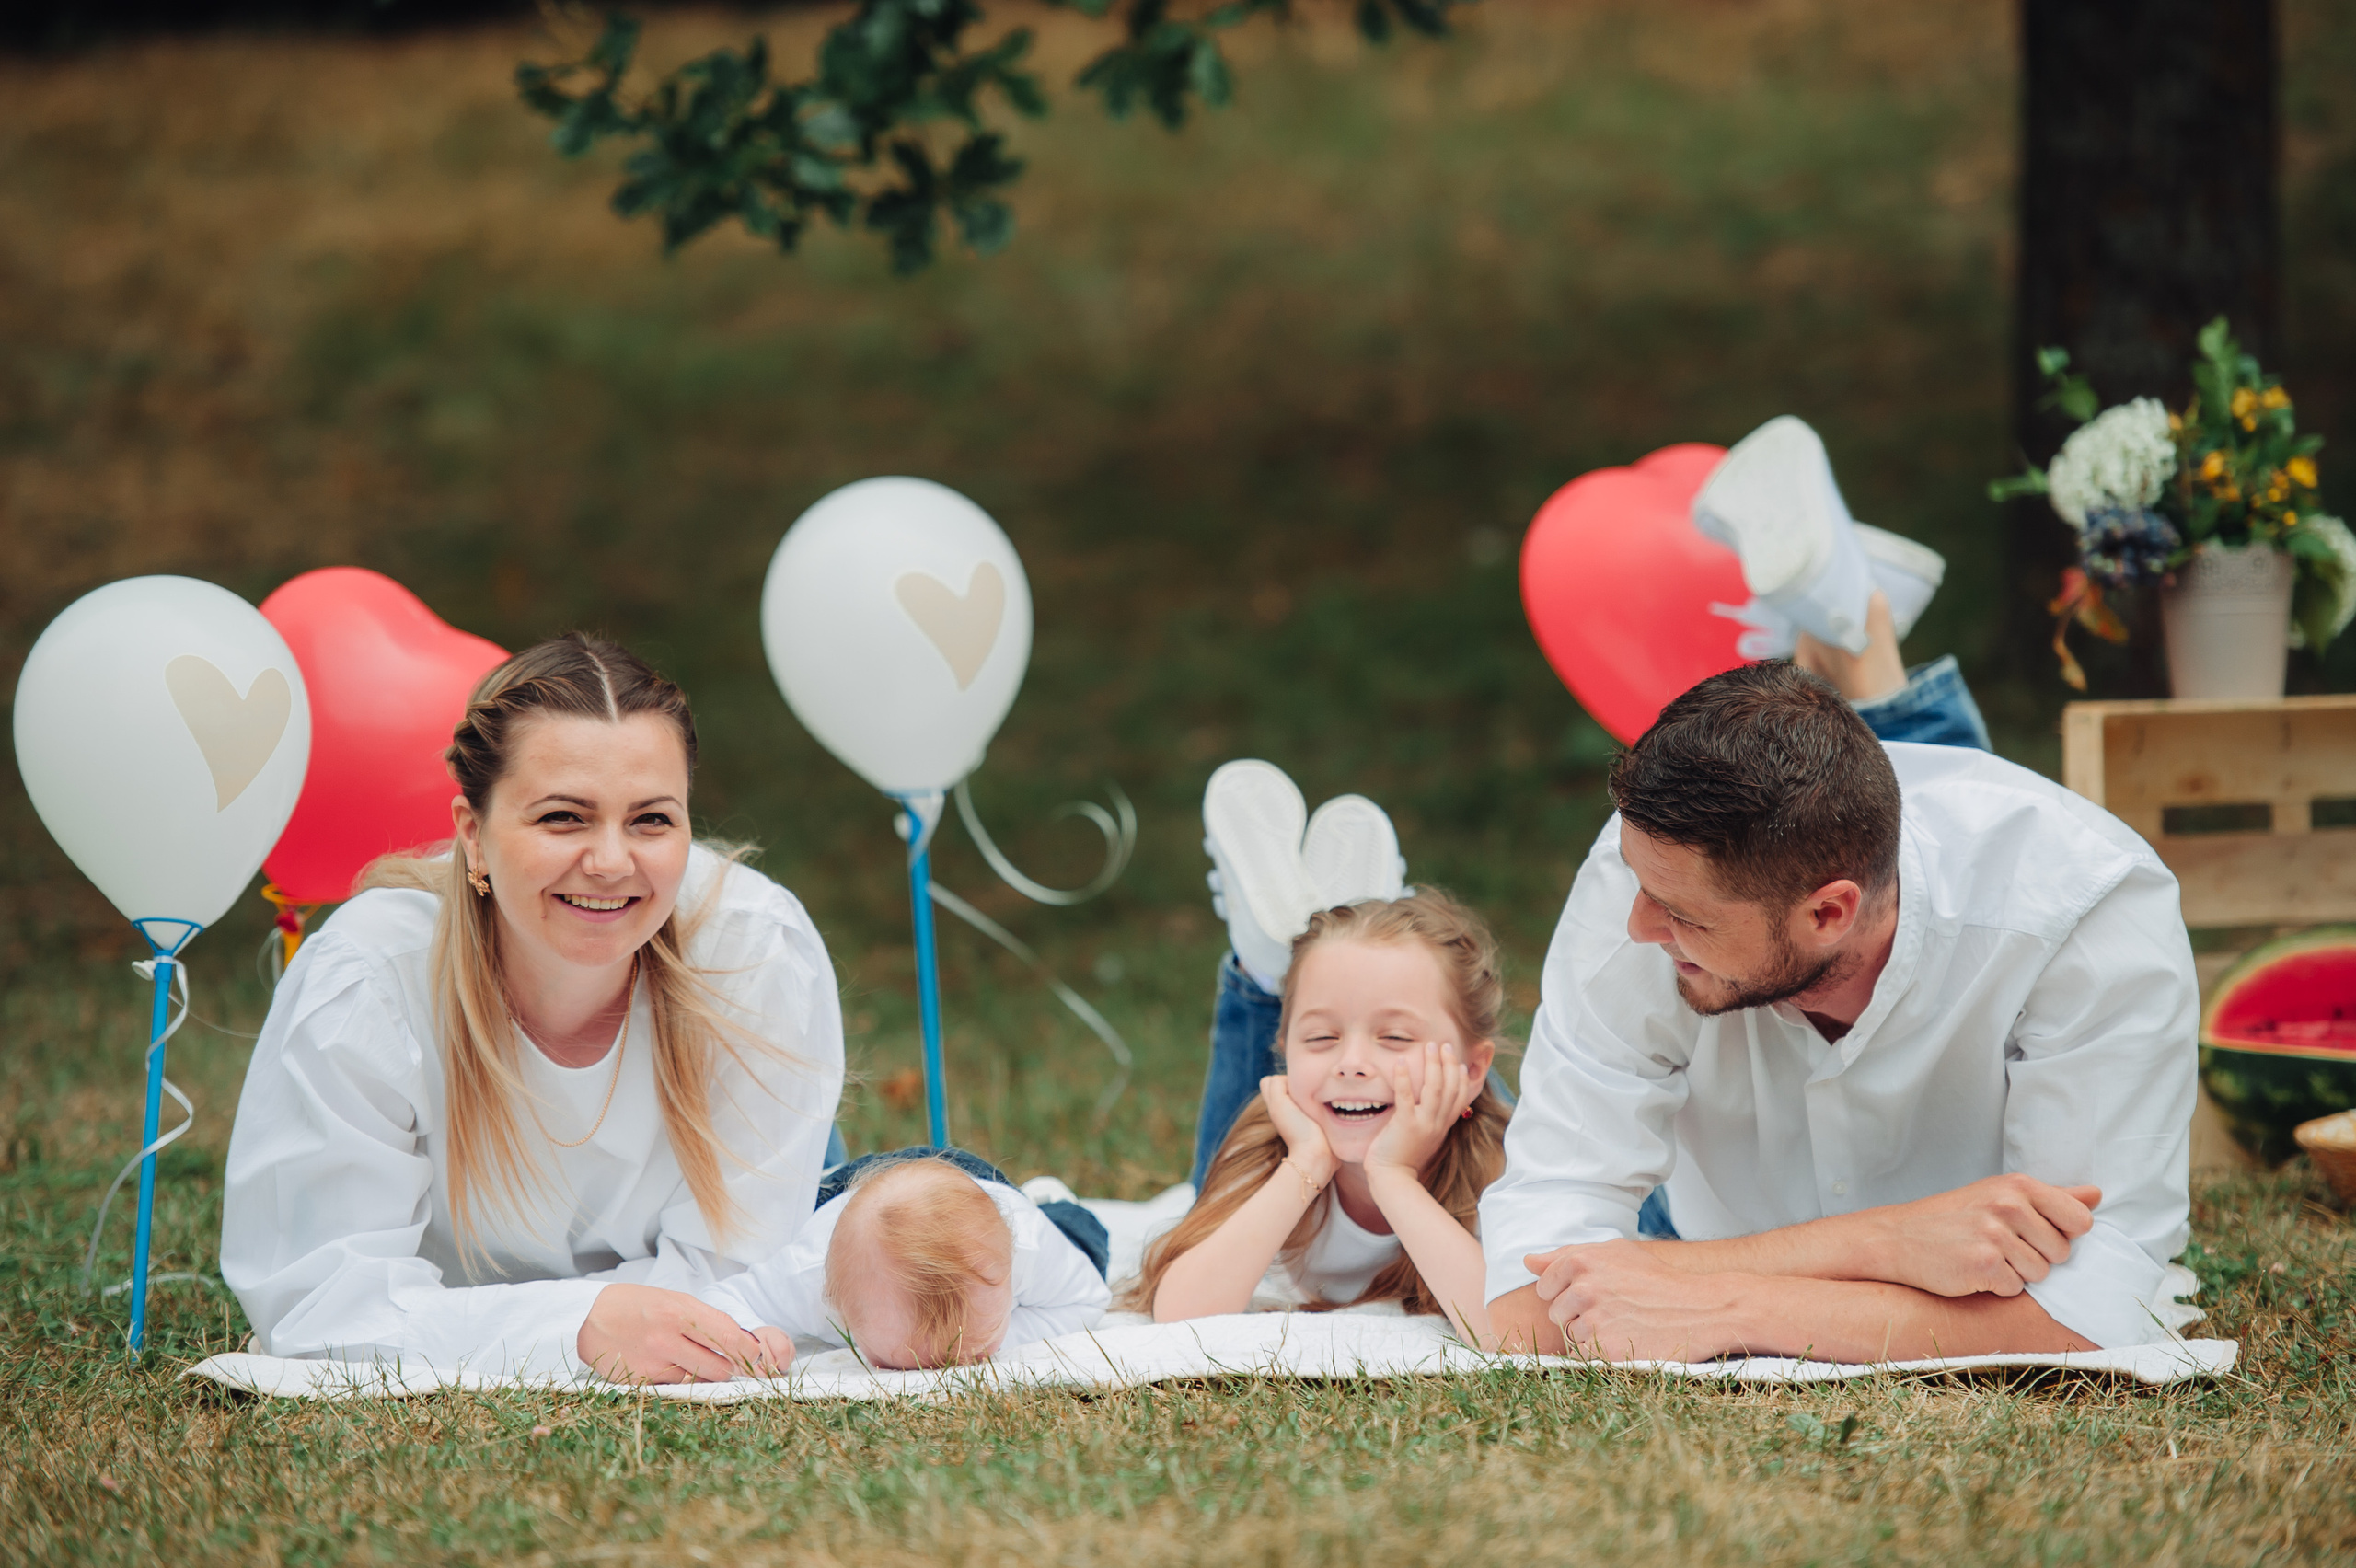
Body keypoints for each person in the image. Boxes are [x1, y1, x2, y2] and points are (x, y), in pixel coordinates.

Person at [1481, 660, 2199, 1360]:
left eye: (1680, 917)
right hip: (1682, 1205)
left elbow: (2096, 1309)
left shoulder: (2087, 908)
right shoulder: (1652, 864)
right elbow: (1526, 1294)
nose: (1637, 926)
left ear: (1828, 911)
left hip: (1683, 1246)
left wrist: (1725, 1304)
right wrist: (1881, 1240)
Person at [221, 635, 844, 1384]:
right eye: (562, 818)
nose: (612, 862)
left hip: (798, 1175)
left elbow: (735, 1278)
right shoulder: (370, 981)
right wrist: (581, 1327)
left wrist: (501, 1322)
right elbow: (318, 1303)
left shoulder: (755, 953)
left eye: (651, 820)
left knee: (939, 1234)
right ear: (472, 836)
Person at [1127, 891, 1512, 1345]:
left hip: (1470, 1115)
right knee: (1205, 1182)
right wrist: (1306, 1164)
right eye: (1321, 1036)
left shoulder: (1503, 1166)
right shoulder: (1268, 1146)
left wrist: (1394, 1176)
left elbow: (1508, 1331)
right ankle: (1257, 969)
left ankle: (1284, 962)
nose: (1351, 1062)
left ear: (1470, 1071)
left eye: (1393, 1036)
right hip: (1282, 1140)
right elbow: (1180, 1316)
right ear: (1285, 1051)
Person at [699, 1148, 1111, 1369]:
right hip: (846, 1193)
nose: (942, 1374)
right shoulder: (806, 1278)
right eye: (894, 1364)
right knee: (774, 1219)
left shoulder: (1026, 1246)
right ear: (837, 1302)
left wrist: (1005, 1345)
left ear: (1008, 1285)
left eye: (979, 1352)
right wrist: (751, 1333)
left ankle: (1051, 1198)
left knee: (1086, 1242)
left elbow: (1088, 1299)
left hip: (989, 1187)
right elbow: (720, 1297)